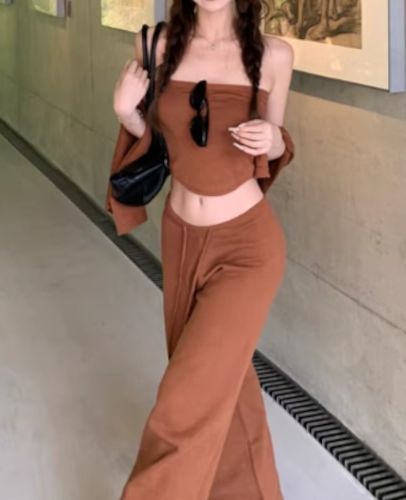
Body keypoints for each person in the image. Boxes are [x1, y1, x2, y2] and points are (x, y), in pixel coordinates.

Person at [106, 0, 295, 498]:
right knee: (225, 389)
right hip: (181, 237)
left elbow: (274, 149)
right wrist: (127, 113)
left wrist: (274, 138)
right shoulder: (155, 46)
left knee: (183, 404)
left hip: (248, 249)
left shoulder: (274, 55)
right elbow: (161, 148)